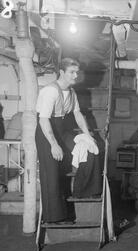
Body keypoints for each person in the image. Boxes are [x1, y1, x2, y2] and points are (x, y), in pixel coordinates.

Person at [36, 58, 102, 224]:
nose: (76, 75)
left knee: (89, 150)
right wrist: (54, 145)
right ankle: (55, 218)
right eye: (72, 72)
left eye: (77, 72)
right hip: (46, 132)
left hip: (62, 129)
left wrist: (87, 136)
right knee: (51, 174)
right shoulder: (50, 91)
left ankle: (85, 190)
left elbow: (78, 115)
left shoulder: (72, 92)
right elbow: (43, 120)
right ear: (62, 72)